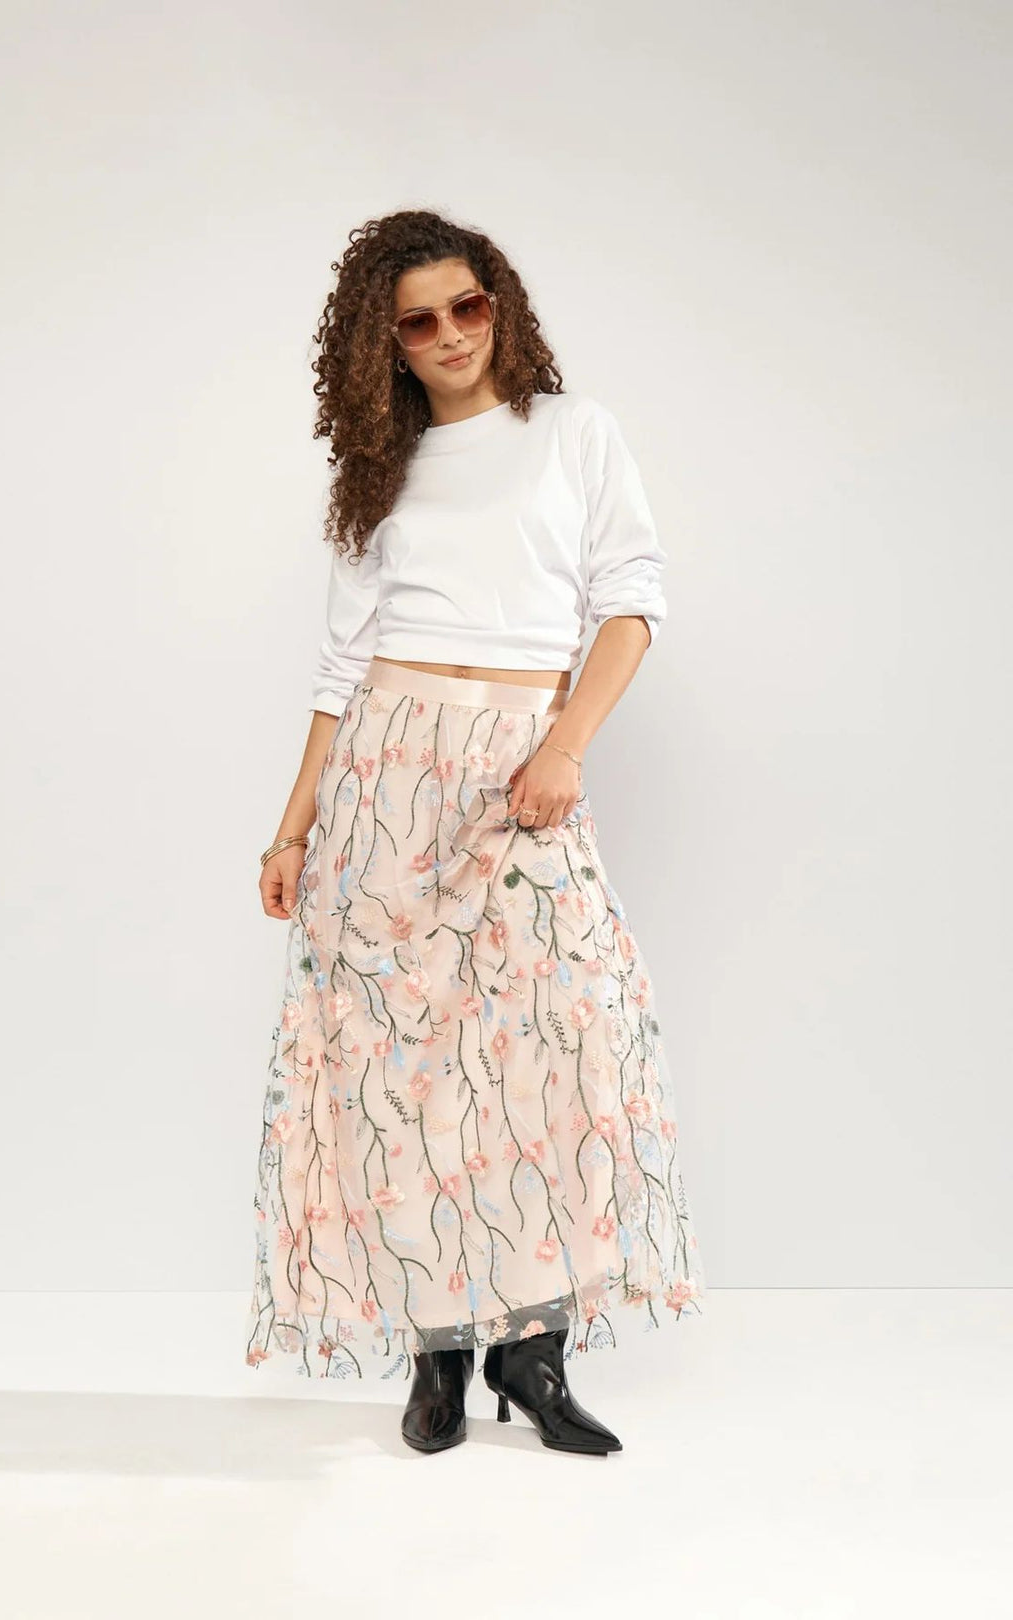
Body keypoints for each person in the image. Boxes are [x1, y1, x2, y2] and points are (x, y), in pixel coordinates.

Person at [244, 208, 706, 1455]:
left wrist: (564, 747)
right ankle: (438, 1353)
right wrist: (289, 834)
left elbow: (631, 600)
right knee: (407, 1073)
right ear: (383, 344)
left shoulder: (572, 432)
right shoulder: (378, 472)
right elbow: (340, 670)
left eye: (469, 305)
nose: (451, 334)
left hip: (516, 769)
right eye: (419, 322)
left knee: (557, 1049)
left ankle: (534, 1353)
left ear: (500, 302)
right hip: (386, 780)